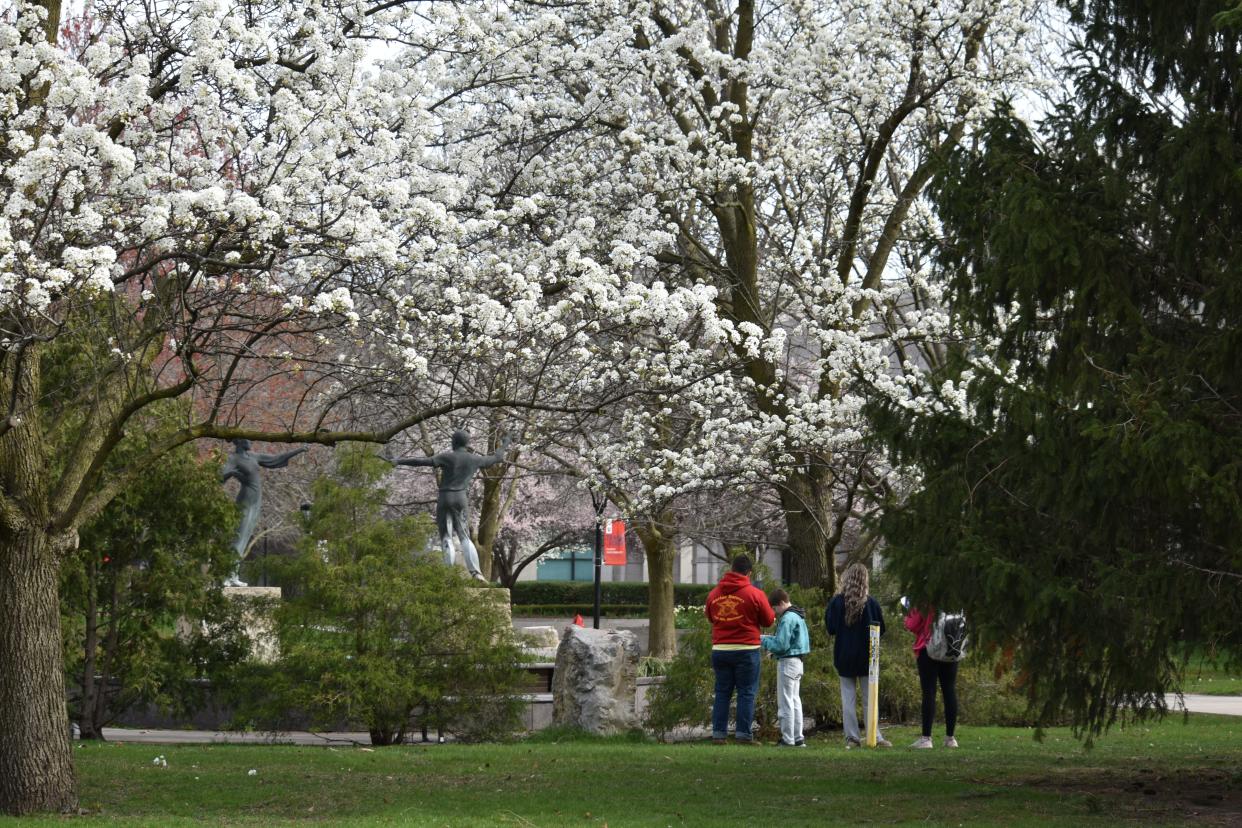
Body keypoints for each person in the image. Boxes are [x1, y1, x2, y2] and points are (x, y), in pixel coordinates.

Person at [390, 429, 511, 581]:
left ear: (453, 442)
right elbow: (497, 457)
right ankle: (476, 573)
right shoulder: (474, 459)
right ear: (467, 443)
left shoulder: (447, 457)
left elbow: (421, 461)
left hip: (445, 497)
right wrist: (506, 442)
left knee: (446, 536)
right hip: (461, 498)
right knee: (464, 535)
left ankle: (449, 575)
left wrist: (398, 461)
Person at [705, 555, 775, 744]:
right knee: (746, 691)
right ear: (749, 573)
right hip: (746, 648)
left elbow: (710, 617)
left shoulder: (714, 594)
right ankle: (743, 734)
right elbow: (768, 620)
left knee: (722, 692)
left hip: (720, 648)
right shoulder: (755, 594)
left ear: (731, 569)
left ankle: (719, 734)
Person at [220, 438, 306, 586]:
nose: (250, 442)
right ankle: (227, 575)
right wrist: (232, 473)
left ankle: (233, 575)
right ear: (240, 442)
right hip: (245, 500)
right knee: (239, 537)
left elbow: (275, 459)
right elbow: (221, 476)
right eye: (247, 440)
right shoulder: (233, 458)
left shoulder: (253, 456)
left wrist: (298, 450)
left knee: (245, 537)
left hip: (256, 501)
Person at [825, 563, 891, 748]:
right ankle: (874, 736)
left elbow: (830, 628)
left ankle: (852, 738)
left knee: (848, 700)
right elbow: (881, 629)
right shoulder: (872, 604)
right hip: (868, 658)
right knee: (870, 699)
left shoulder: (837, 603)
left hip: (844, 656)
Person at [760, 588, 810, 747]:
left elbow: (781, 645)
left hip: (787, 663)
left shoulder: (787, 618)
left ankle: (787, 739)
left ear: (781, 603)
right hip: (798, 663)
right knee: (795, 701)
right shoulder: (798, 615)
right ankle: (798, 737)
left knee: (785, 702)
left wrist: (763, 640)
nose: (775, 613)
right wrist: (769, 638)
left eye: (775, 608)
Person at [904, 603, 959, 749]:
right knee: (949, 691)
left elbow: (912, 624)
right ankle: (950, 738)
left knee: (929, 692)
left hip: (929, 648)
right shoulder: (955, 598)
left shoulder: (926, 599)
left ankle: (926, 738)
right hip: (951, 648)